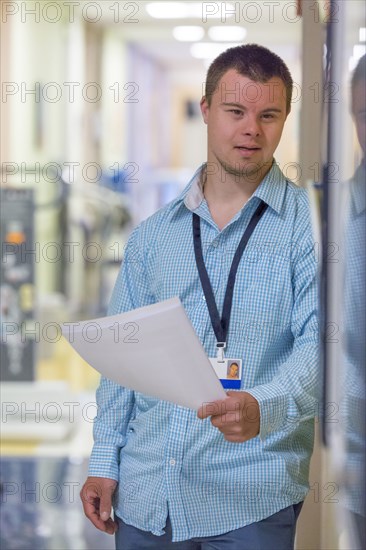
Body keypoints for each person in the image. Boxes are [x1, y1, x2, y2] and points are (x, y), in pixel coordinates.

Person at [81, 44, 319, 549]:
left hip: (250, 498)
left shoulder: (310, 232)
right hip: (149, 496)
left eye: (268, 115)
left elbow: (322, 348)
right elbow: (122, 356)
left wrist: (264, 404)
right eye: (235, 111)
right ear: (206, 110)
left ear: (284, 120)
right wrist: (105, 461)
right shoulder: (153, 237)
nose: (252, 129)